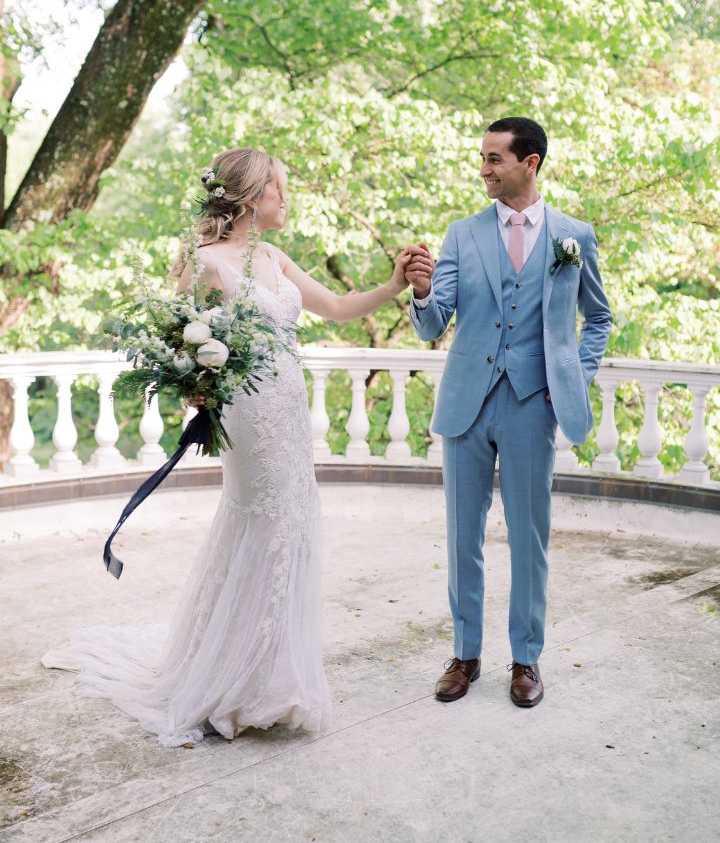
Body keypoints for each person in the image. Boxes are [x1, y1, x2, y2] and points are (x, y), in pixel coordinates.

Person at [42, 147, 412, 747]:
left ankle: (273, 673)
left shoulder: (274, 256)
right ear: (249, 197)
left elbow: (341, 309)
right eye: (278, 190)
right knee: (267, 524)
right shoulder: (205, 262)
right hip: (248, 415)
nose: (286, 200)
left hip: (289, 407)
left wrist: (394, 284)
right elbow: (177, 341)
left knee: (294, 524)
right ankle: (237, 683)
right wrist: (194, 388)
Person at [405, 117, 612, 707]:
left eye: (495, 159)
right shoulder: (461, 233)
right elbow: (432, 323)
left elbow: (598, 318)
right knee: (462, 536)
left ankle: (526, 660)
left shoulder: (574, 236)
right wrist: (421, 291)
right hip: (467, 403)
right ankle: (465, 655)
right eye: (483, 158)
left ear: (531, 162)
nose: (484, 170)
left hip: (532, 406)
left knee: (529, 537)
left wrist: (572, 375)